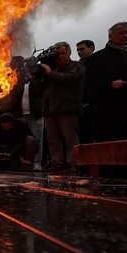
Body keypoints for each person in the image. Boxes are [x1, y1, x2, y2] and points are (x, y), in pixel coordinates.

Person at [86, 21, 127, 142]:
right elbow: (91, 82)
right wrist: (110, 84)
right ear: (110, 36)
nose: (125, 35)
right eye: (121, 33)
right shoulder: (98, 58)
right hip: (113, 111)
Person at [36, 42, 85, 172]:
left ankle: (73, 163)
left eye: (63, 53)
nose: (60, 56)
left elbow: (73, 79)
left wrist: (51, 74)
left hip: (67, 108)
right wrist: (37, 75)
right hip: (50, 109)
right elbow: (40, 89)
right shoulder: (51, 69)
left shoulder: (77, 66)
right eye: (58, 54)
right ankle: (57, 163)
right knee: (53, 140)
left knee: (70, 138)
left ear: (70, 52)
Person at [75, 39, 96, 143]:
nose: (79, 52)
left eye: (82, 49)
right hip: (82, 105)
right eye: (77, 50)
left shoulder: (99, 62)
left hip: (97, 103)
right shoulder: (77, 66)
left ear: (91, 48)